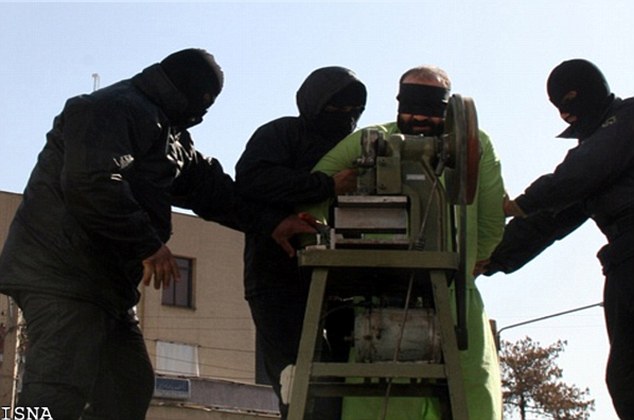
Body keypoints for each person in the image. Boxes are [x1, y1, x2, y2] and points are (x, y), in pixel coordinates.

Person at [0, 48, 314, 420]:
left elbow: (212, 191)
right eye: (203, 102)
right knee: (57, 389)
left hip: (105, 285)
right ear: (187, 92)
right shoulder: (109, 108)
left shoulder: (169, 132)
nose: (203, 113)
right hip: (60, 273)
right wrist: (148, 245)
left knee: (127, 385)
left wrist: (273, 222)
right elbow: (91, 181)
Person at [302, 65, 506, 419]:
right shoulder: (468, 143)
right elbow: (491, 218)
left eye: (430, 109)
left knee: (379, 391)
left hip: (399, 288)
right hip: (444, 285)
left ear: (448, 109)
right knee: (470, 388)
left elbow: (316, 188)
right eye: (413, 107)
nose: (420, 118)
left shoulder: (384, 138)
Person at [481, 58, 634, 419]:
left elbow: (584, 170)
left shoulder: (626, 120)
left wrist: (521, 202)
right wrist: (491, 256)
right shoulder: (596, 159)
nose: (567, 117)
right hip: (624, 261)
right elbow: (549, 221)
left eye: (570, 104)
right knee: (626, 377)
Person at [234, 66, 367, 419]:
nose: (345, 117)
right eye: (336, 108)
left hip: (343, 282)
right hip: (278, 278)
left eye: (354, 110)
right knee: (301, 384)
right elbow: (251, 181)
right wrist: (324, 186)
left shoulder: (354, 148)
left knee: (348, 383)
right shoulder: (282, 134)